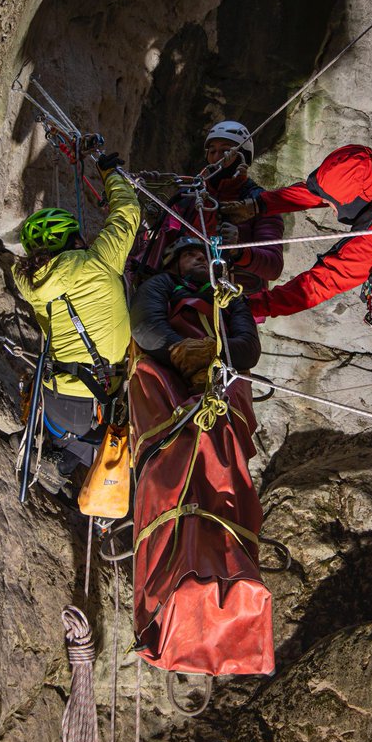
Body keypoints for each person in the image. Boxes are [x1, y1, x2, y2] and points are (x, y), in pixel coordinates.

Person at [127, 235, 274, 676]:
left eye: (203, 256)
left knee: (217, 448)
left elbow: (247, 346)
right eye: (191, 255)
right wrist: (180, 351)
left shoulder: (228, 295)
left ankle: (206, 572)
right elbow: (145, 326)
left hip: (219, 377)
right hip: (166, 371)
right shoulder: (161, 286)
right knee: (183, 448)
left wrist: (215, 356)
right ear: (175, 262)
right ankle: (199, 573)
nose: (198, 260)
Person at [13, 153, 140, 491]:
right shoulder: (98, 261)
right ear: (75, 240)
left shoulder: (33, 285)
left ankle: (55, 453)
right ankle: (65, 466)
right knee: (105, 439)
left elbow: (48, 328)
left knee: (75, 436)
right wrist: (110, 174)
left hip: (56, 397)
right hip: (93, 399)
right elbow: (127, 213)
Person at [222, 143, 372, 320]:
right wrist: (259, 204)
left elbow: (316, 285)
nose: (328, 205)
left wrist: (248, 306)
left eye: (332, 203)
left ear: (351, 204)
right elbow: (325, 192)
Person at [133, 121, 284, 294]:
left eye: (226, 151)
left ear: (243, 156)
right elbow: (168, 236)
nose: (217, 157)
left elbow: (273, 267)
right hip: (183, 291)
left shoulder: (260, 204)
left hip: (235, 298)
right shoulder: (189, 197)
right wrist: (156, 227)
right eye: (212, 151)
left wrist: (238, 251)